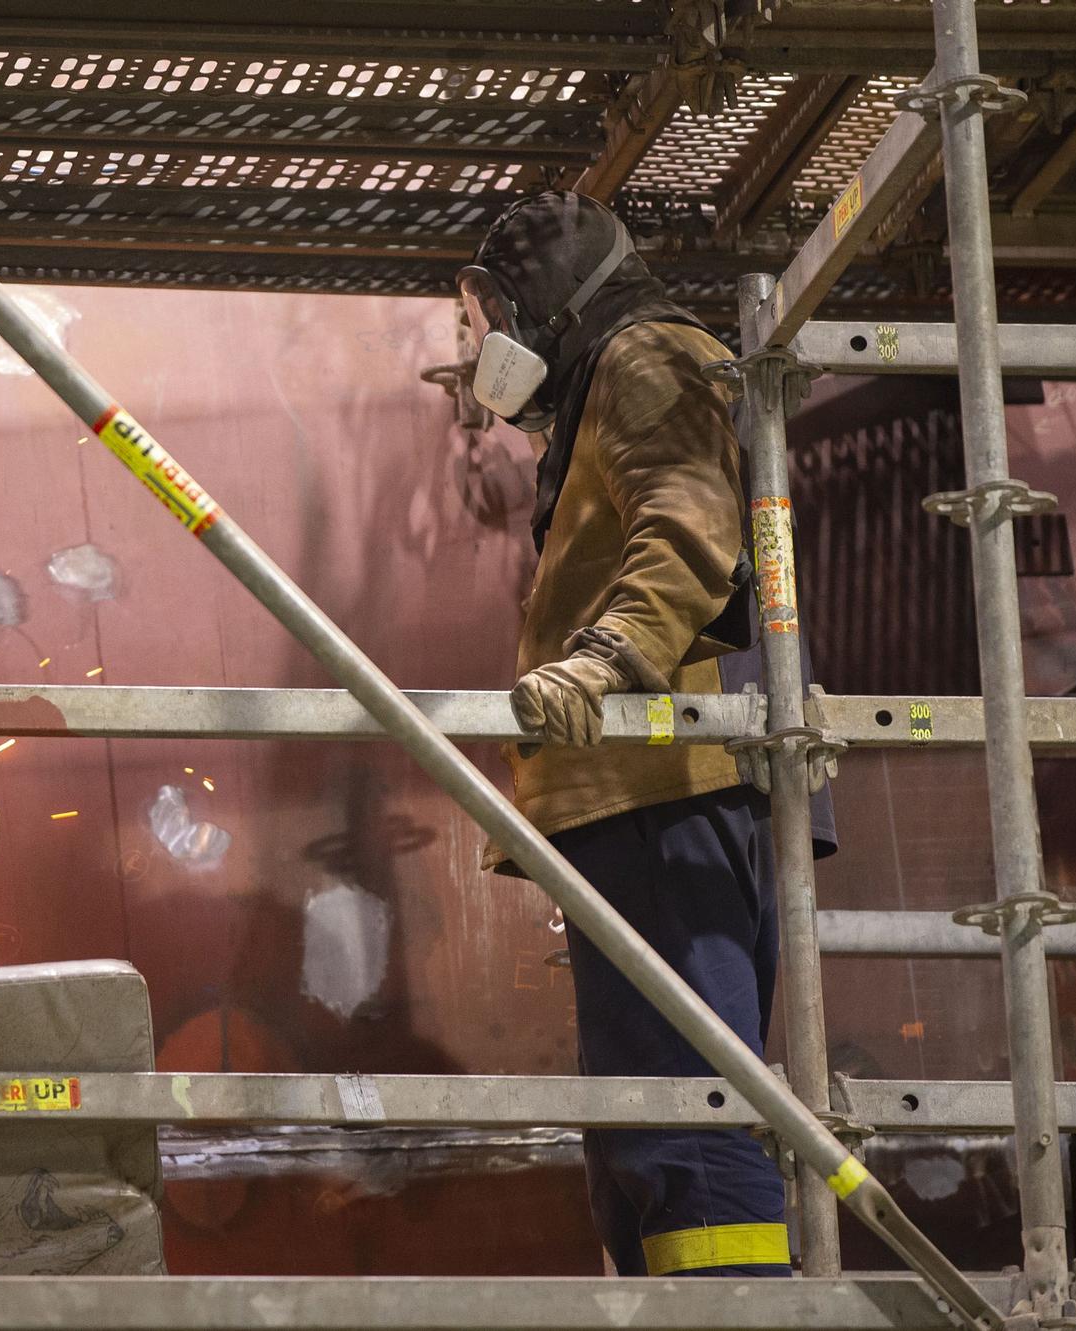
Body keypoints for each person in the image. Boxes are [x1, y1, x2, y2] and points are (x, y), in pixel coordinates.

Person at [457, 191, 790, 1278]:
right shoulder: (611, 381)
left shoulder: (642, 355)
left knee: (682, 1114)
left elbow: (690, 521)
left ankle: (737, 1312)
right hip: (636, 794)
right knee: (641, 1126)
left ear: (543, 302)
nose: (473, 350)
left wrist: (601, 661)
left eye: (479, 320)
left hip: (660, 788)